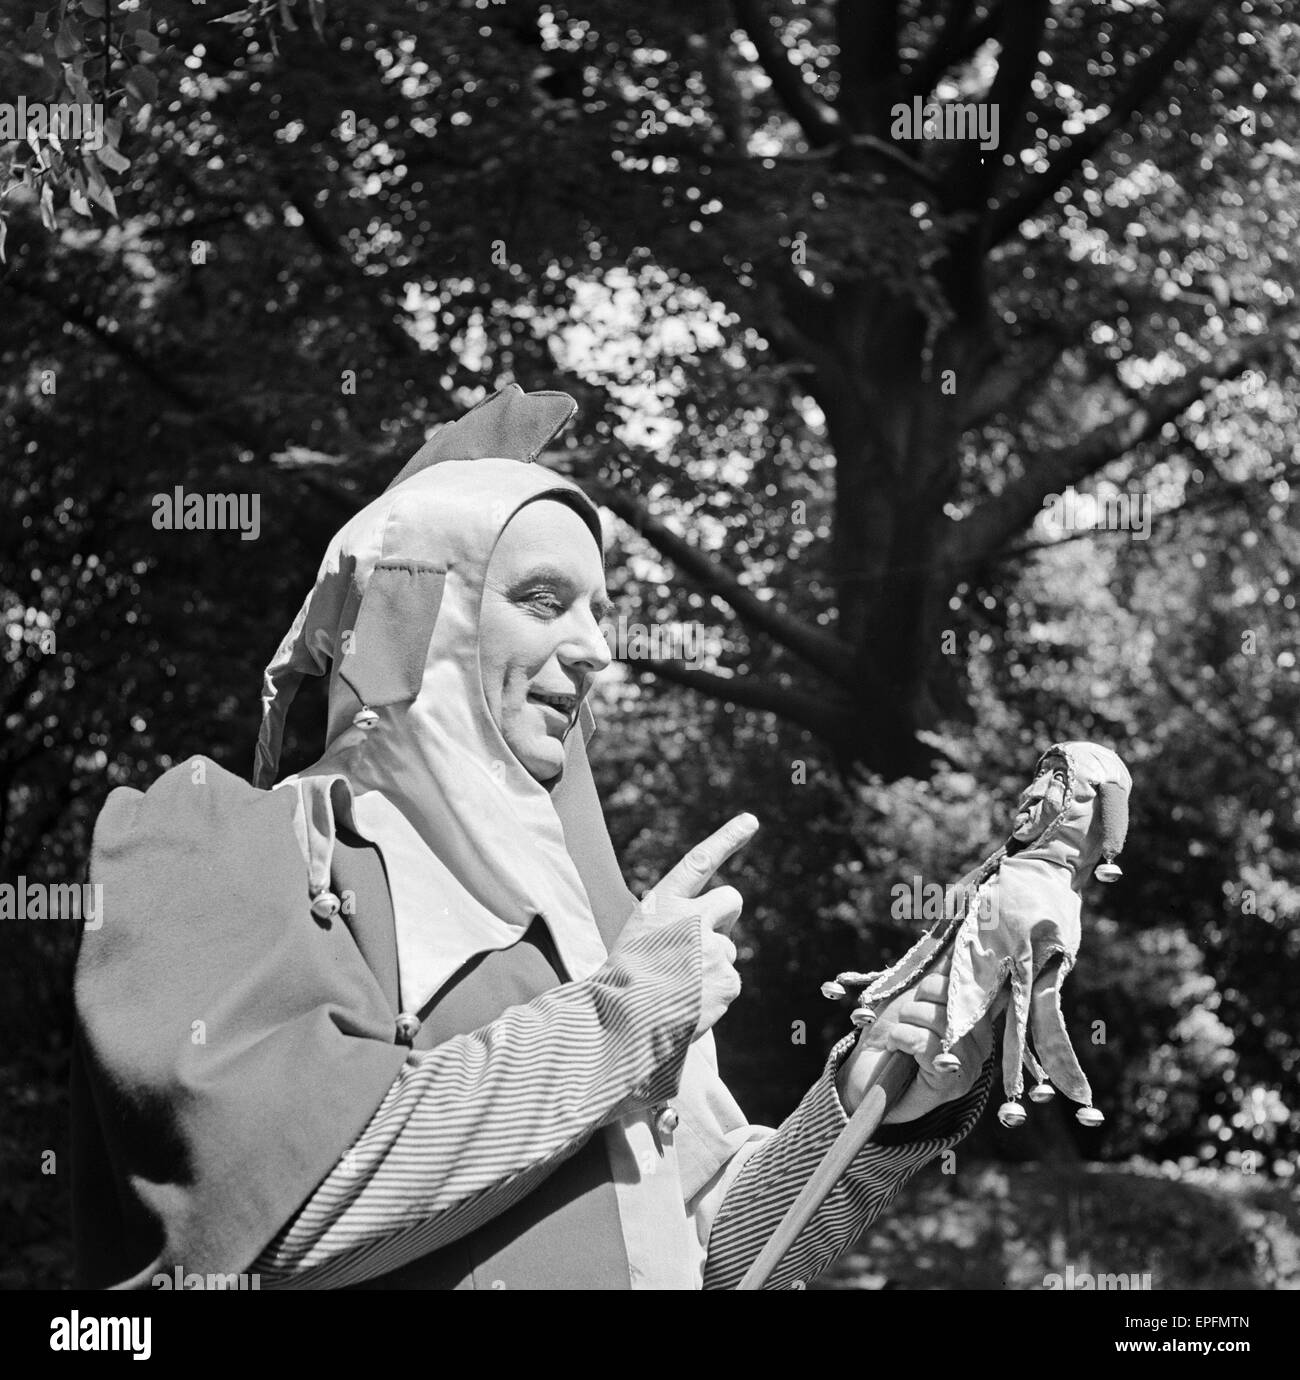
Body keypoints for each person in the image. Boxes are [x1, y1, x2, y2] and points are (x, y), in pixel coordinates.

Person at [72, 386, 994, 1291]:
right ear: (420, 623)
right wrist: (625, 1020)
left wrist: (867, 1120)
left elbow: (710, 1256)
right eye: (545, 600)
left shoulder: (603, 924)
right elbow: (272, 1222)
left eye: (598, 611)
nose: (599, 650)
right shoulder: (219, 846)